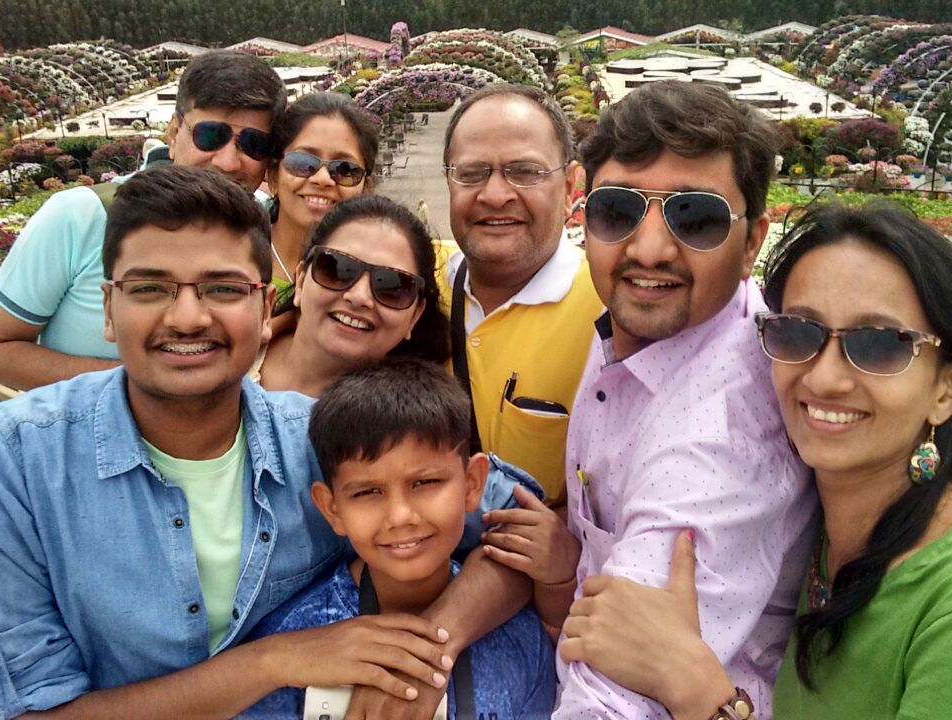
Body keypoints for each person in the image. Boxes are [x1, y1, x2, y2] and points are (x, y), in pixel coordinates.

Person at [0, 166, 540, 720]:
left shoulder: (317, 438)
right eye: (150, 288)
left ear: (263, 306)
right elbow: (26, 711)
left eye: (223, 289)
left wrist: (431, 648)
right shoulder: (17, 457)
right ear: (108, 308)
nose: (187, 317)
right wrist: (277, 660)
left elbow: (525, 537)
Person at [562, 205, 952, 719]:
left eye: (879, 344)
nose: (824, 378)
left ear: (949, 386)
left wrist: (699, 692)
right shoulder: (827, 544)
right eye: (798, 332)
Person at [530, 81, 818, 718]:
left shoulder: (720, 435)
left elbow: (611, 699)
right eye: (616, 211)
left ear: (751, 242)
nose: (649, 250)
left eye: (696, 218)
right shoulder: (650, 330)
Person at [240, 359, 556, 719]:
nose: (401, 516)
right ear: (332, 509)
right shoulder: (299, 642)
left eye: (425, 483)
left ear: (472, 483)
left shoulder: (521, 636)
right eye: (367, 492)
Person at [0, 50, 285, 390]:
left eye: (254, 144)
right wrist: (153, 383)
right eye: (210, 135)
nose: (228, 162)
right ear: (174, 133)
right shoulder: (80, 217)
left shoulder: (264, 222)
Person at [440, 83, 604, 506]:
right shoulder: (410, 284)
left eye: (526, 172)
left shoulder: (610, 314)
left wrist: (564, 531)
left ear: (570, 186)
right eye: (472, 173)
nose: (496, 195)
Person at [256, 194, 447, 396]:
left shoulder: (417, 414)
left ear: (415, 315)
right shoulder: (236, 350)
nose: (359, 297)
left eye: (392, 286)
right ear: (301, 280)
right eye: (338, 270)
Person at [268, 92, 376, 299]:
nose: (323, 179)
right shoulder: (236, 255)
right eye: (302, 162)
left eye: (344, 169)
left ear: (366, 187)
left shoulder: (380, 273)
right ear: (273, 174)